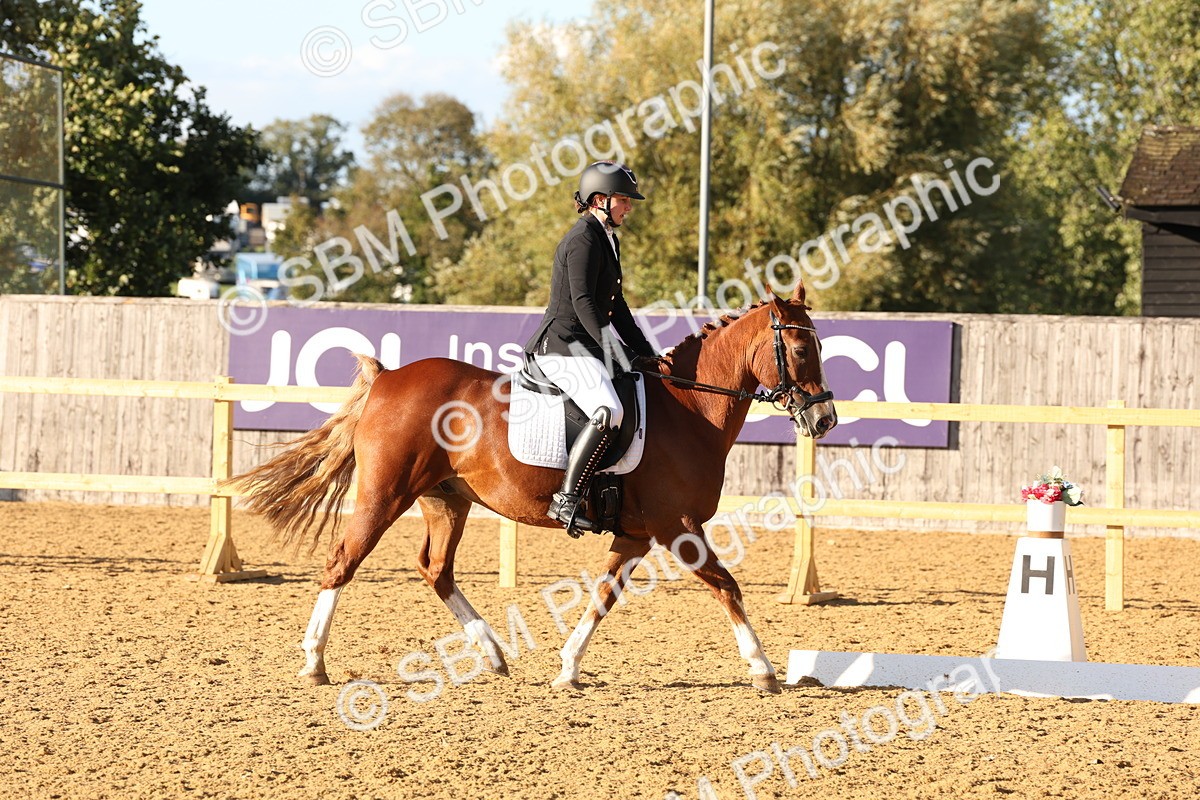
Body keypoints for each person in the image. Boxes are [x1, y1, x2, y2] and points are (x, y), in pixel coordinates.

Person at [524, 160, 660, 536]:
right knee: (608, 409)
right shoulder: (582, 238)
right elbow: (584, 303)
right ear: (600, 199)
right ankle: (566, 499)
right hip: (562, 344)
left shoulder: (607, 238)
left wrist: (646, 351)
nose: (629, 206)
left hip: (585, 345)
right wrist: (616, 352)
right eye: (624, 199)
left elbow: (617, 306)